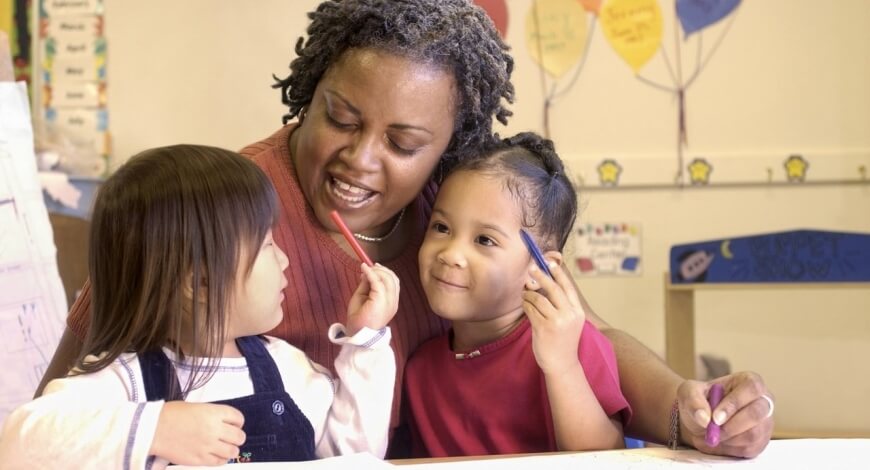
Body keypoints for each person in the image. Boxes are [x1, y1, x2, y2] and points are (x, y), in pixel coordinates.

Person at [37, 0, 774, 458]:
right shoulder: (220, 212)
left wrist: (687, 406)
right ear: (311, 86)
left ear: (449, 145)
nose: (360, 160)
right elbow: (65, 396)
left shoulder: (458, 211)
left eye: (404, 143)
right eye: (341, 118)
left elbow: (587, 338)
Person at [1, 145, 399, 468]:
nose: (284, 260)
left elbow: (356, 457)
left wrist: (366, 341)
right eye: (266, 245)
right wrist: (157, 430)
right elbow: (19, 443)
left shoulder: (288, 370)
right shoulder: (125, 380)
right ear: (201, 282)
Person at [405, 133, 630, 457]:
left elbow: (605, 458)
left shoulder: (575, 344)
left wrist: (562, 366)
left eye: (484, 240)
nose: (450, 254)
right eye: (441, 227)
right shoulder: (419, 370)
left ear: (539, 267)